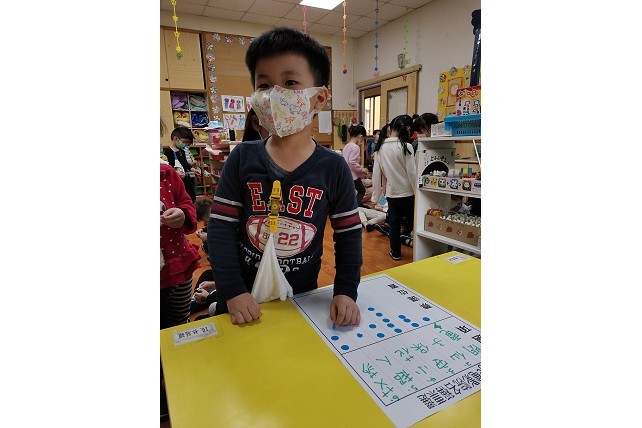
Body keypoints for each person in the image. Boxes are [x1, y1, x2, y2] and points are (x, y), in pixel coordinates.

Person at [207, 27, 362, 327]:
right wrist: (232, 290)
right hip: (242, 296)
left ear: (319, 98)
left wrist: (345, 291)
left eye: (290, 83)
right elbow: (221, 229)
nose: (274, 95)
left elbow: (348, 234)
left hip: (301, 298)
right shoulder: (242, 158)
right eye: (264, 84)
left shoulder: (334, 167)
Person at [371, 114, 417, 261]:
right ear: (407, 129)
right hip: (408, 193)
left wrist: (375, 197)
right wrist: (417, 193)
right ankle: (418, 252)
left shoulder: (380, 148)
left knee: (394, 224)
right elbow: (412, 173)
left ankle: (396, 252)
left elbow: (376, 174)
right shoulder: (406, 146)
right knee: (413, 222)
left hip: (392, 194)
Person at [163, 126, 197, 202]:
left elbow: (184, 163)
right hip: (175, 178)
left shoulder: (182, 151)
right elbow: (168, 166)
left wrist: (191, 168)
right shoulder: (168, 152)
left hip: (185, 178)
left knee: (189, 195)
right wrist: (176, 173)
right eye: (184, 142)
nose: (185, 145)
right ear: (175, 138)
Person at [342, 124, 369, 207]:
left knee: (351, 192)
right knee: (362, 191)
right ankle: (355, 206)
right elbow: (352, 162)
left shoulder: (346, 146)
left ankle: (354, 205)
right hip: (353, 175)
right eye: (363, 139)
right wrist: (362, 169)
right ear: (361, 136)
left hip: (346, 174)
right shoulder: (356, 147)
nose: (362, 141)